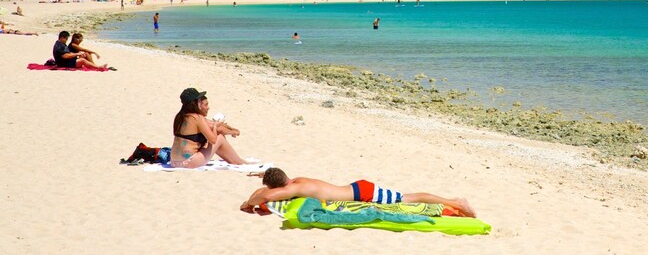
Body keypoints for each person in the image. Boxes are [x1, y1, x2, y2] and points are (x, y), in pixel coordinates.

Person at [240, 168, 476, 217]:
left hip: (362, 194)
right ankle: (454, 201)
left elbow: (266, 196)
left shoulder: (296, 188)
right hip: (357, 188)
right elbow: (267, 191)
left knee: (409, 198)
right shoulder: (298, 180)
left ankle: (456, 202)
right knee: (409, 197)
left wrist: (248, 204)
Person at [169, 87, 246, 168]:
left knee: (217, 135)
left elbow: (213, 123)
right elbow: (213, 140)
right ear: (196, 103)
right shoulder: (198, 118)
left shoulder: (180, 117)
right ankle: (239, 162)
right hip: (189, 162)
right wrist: (217, 127)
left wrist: (233, 130)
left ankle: (236, 161)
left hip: (174, 162)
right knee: (219, 137)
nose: (208, 107)